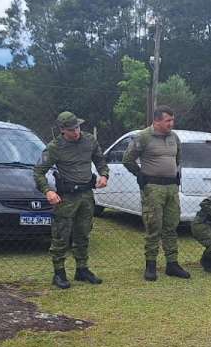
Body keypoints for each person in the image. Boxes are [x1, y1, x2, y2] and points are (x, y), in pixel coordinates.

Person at [35, 111, 109, 289]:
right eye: (71, 129)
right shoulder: (54, 147)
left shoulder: (89, 140)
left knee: (83, 233)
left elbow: (100, 159)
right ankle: (59, 273)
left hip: (86, 195)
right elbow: (38, 172)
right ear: (62, 130)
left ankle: (82, 269)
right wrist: (48, 191)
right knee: (61, 235)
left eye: (77, 127)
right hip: (66, 197)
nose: (76, 132)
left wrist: (104, 175)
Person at [123, 106, 191, 281]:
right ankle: (151, 265)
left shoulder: (174, 137)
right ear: (157, 121)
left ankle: (172, 264)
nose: (171, 123)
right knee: (154, 226)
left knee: (171, 226)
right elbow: (127, 159)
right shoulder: (144, 137)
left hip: (171, 188)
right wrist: (140, 175)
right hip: (153, 188)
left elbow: (178, 159)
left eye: (172, 120)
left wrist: (174, 175)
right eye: (168, 120)